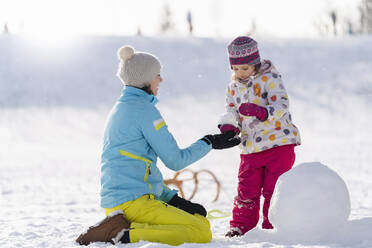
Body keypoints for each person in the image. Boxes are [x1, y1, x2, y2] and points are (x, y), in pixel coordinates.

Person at [75, 45, 240, 246]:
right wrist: (210, 142)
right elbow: (175, 160)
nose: (160, 80)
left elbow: (138, 169)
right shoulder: (144, 111)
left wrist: (173, 200)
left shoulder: (121, 107)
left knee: (199, 221)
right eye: (157, 75)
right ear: (144, 78)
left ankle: (121, 227)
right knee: (200, 231)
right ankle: (123, 234)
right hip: (133, 203)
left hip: (123, 202)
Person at [219, 36, 301, 237]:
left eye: (244, 68)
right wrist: (230, 125)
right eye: (235, 69)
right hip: (250, 149)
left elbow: (282, 105)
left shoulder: (270, 79)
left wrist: (261, 111)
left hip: (278, 144)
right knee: (246, 190)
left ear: (255, 63)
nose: (240, 73)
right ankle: (240, 226)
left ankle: (272, 225)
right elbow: (231, 110)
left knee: (273, 189)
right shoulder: (233, 87)